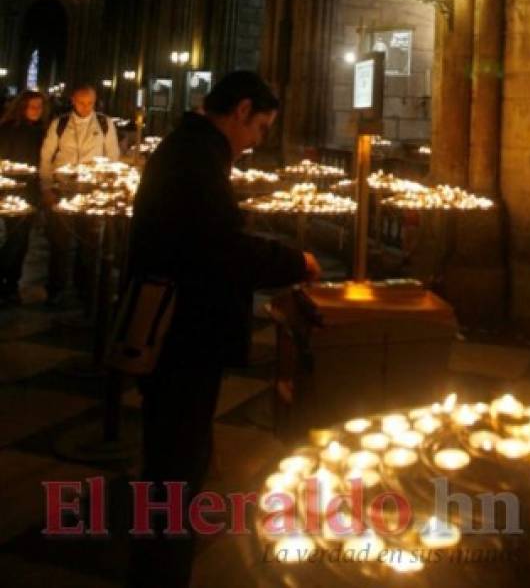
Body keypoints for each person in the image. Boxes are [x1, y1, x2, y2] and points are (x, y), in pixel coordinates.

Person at [126, 71, 321, 588]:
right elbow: (218, 248)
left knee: (179, 452)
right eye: (259, 128)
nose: (257, 141)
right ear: (239, 111)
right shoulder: (194, 157)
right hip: (181, 334)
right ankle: (160, 572)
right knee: (175, 460)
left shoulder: (191, 150)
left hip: (180, 327)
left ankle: (163, 557)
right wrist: (292, 260)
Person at [39, 83, 120, 303]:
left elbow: (113, 156)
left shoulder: (104, 123)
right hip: (62, 189)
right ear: (73, 101)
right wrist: (46, 187)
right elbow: (46, 157)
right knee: (60, 242)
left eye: (90, 103)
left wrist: (108, 187)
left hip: (91, 191)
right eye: (81, 103)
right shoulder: (60, 123)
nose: (86, 107)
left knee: (89, 243)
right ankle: (55, 289)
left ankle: (84, 289)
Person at [0, 90, 46, 303]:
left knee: (22, 239)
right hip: (10, 189)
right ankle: (7, 282)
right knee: (14, 238)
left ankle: (12, 283)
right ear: (22, 107)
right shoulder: (8, 129)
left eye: (39, 106)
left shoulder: (42, 131)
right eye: (32, 106)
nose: (36, 110)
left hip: (30, 191)